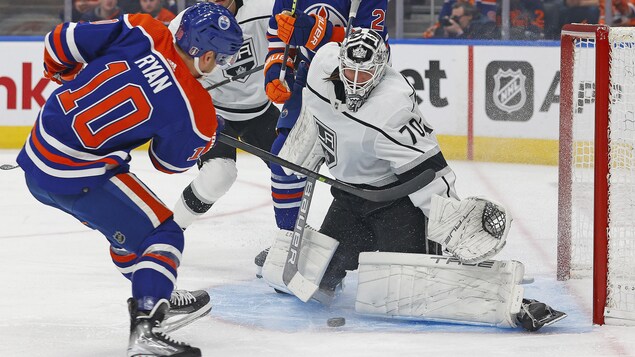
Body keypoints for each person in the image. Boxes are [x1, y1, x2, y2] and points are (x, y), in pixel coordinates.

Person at [259, 28, 566, 332]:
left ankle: (512, 303)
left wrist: (455, 227)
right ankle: (303, 257)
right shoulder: (321, 66)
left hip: (395, 205)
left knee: (417, 292)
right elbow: (311, 105)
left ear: (380, 71)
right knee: (315, 281)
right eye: (348, 70)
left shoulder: (393, 106)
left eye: (363, 75)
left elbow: (429, 172)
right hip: (349, 199)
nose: (353, 81)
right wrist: (295, 148)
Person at [16, 2, 242, 356]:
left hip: (39, 150)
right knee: (162, 233)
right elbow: (166, 162)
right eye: (223, 59)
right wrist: (206, 137)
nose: (222, 66)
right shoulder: (197, 108)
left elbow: (60, 40)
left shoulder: (143, 28)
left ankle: (153, 289)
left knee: (127, 224)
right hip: (79, 175)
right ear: (208, 57)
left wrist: (62, 75)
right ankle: (147, 328)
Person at [257, 0, 389, 273]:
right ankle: (291, 238)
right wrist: (275, 74)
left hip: (360, 86)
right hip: (308, 82)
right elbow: (278, 39)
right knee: (284, 159)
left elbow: (371, 45)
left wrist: (319, 32)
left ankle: (380, 239)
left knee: (367, 173)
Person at [168, 0, 281, 231]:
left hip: (259, 109)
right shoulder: (185, 23)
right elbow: (173, 75)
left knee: (291, 166)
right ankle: (169, 231)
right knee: (219, 174)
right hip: (213, 109)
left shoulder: (265, 11)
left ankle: (291, 235)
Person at [431, 2, 499, 39]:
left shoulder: (485, 25)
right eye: (453, 17)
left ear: (469, 16)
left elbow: (477, 46)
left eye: (457, 17)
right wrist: (445, 33)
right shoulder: (454, 26)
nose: (454, 20)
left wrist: (459, 32)